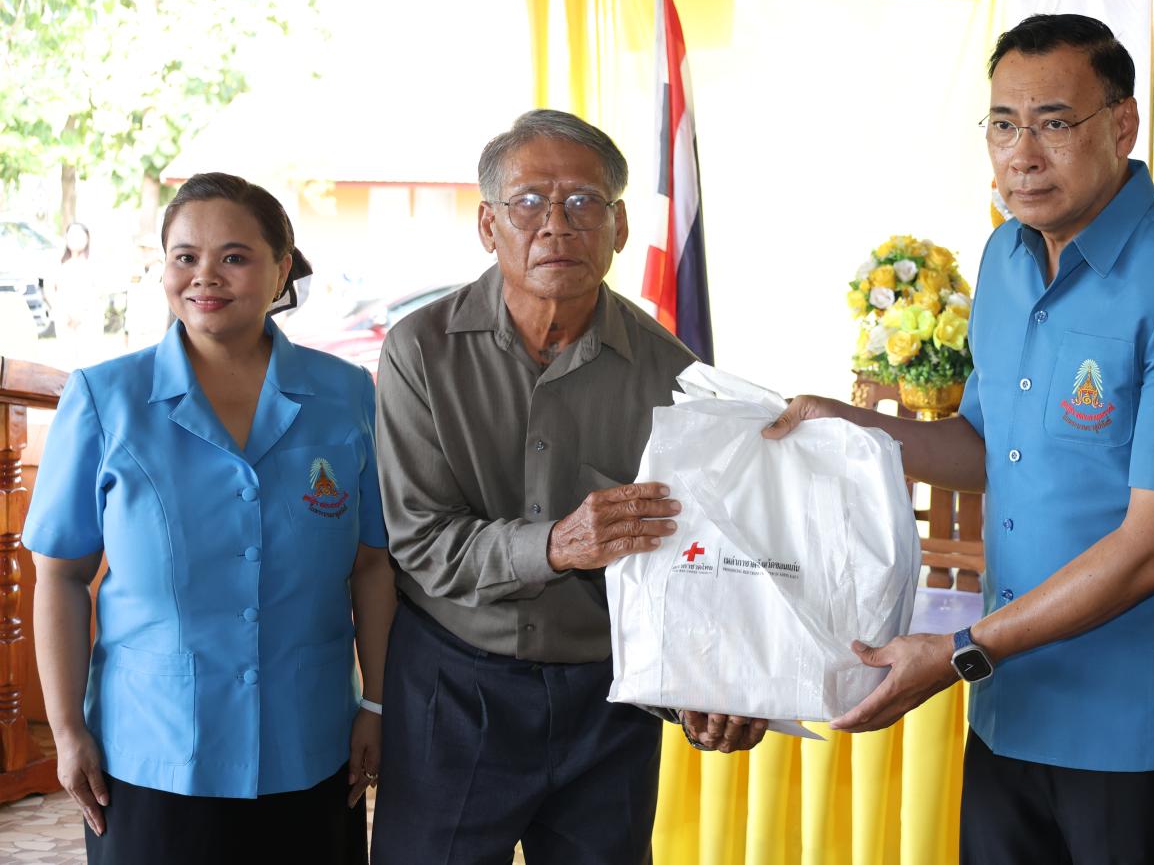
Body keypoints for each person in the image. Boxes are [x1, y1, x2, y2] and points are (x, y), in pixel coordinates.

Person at [766, 14, 1154, 864]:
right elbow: (984, 447)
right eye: (1003, 124)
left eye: (1053, 124)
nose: (1022, 154)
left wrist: (961, 652)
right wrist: (846, 425)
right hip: (1012, 703)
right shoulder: (1005, 256)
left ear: (1122, 125)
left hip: (1134, 725)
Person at [370, 109, 765, 865]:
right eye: (529, 202)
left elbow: (697, 560)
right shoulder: (421, 352)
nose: (556, 224)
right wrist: (555, 545)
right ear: (488, 226)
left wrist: (714, 681)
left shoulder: (674, 374)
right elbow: (419, 542)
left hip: (608, 698)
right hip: (455, 684)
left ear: (619, 226)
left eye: (584, 201)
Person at [24, 172, 394, 865]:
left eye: (234, 256)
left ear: (281, 269)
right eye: (185, 256)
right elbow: (60, 576)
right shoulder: (105, 398)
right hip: (151, 752)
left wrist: (375, 704)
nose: (205, 276)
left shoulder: (346, 395)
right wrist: (67, 729)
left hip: (307, 744)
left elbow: (373, 565)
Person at [49, 220, 104, 348]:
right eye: (72, 234)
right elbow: (50, 288)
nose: (75, 238)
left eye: (79, 235)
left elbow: (98, 291)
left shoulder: (94, 263)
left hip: (88, 319)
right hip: (64, 320)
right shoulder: (58, 263)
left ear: (87, 238)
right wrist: (63, 312)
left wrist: (80, 315)